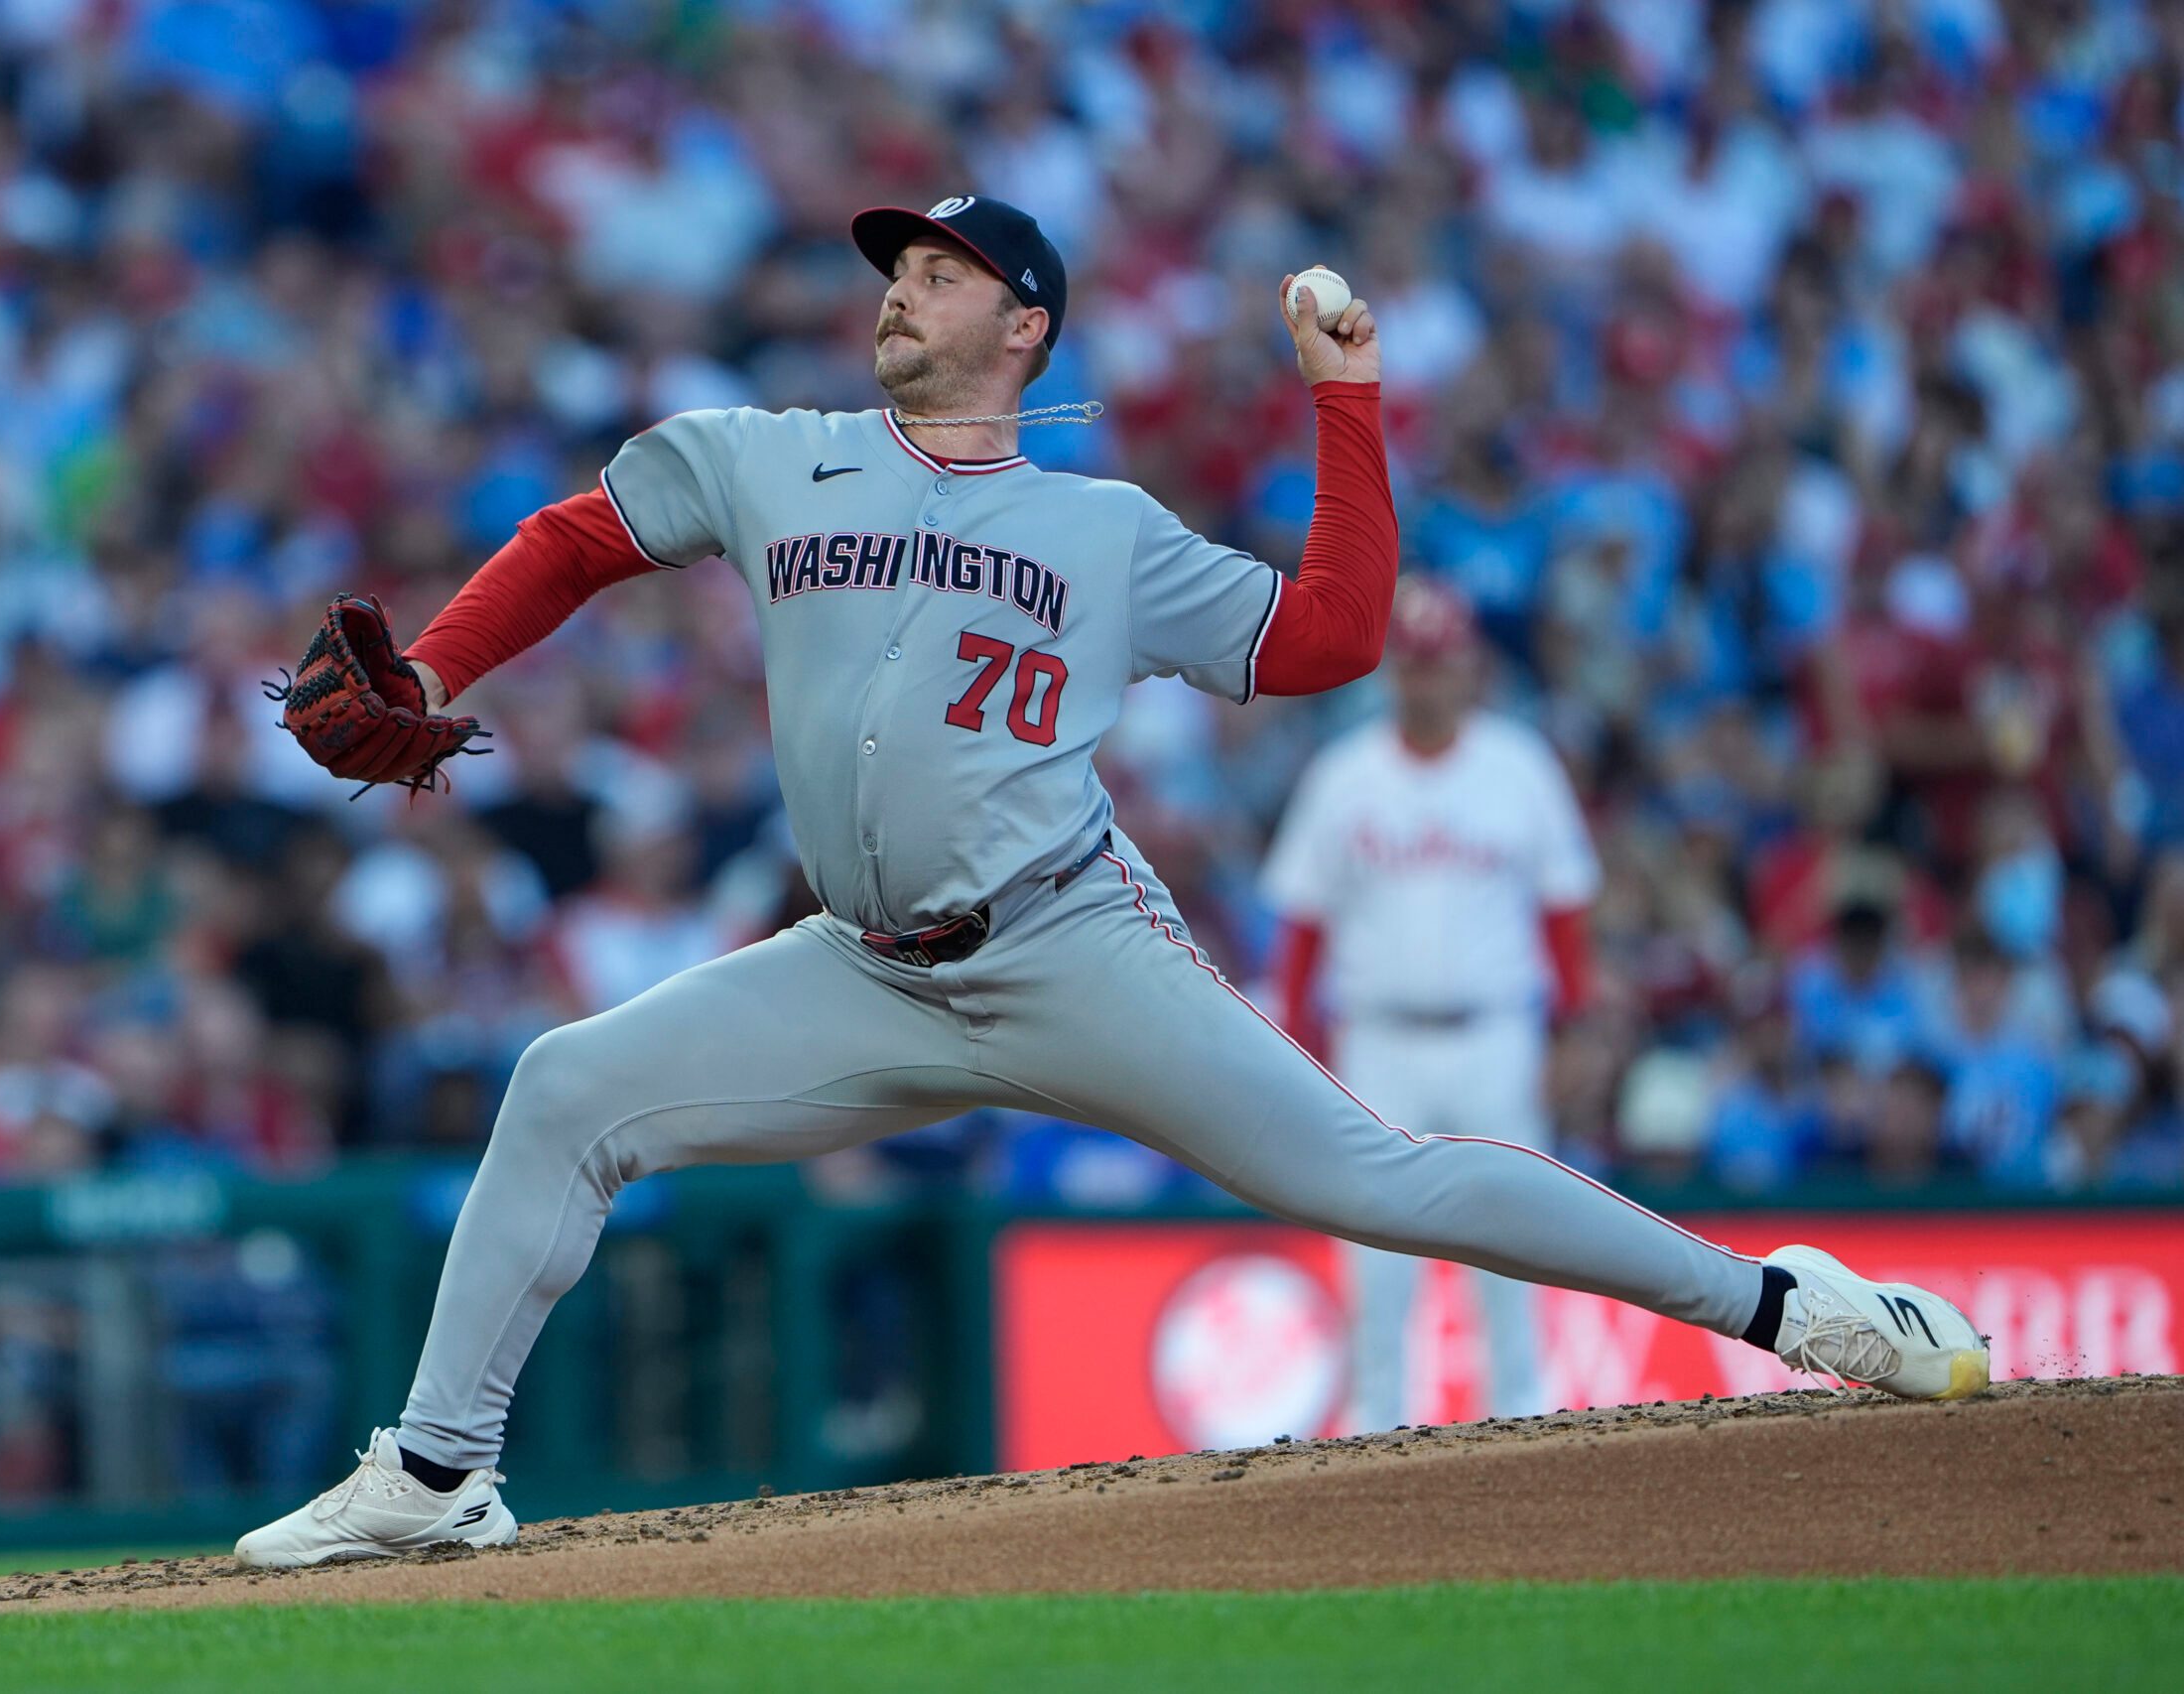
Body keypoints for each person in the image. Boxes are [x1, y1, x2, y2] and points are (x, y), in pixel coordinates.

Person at [237, 195, 1989, 1568]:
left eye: (940, 269)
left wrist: (1348, 406)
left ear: (1026, 324)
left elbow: (1329, 638)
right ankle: (435, 1471)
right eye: (895, 265)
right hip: (862, 965)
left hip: (1072, 938)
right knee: (566, 1088)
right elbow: (576, 538)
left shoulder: (1106, 531)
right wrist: (445, 671)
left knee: (1376, 1177)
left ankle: (1795, 1302)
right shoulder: (774, 455)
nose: (900, 289)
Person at [1260, 578, 1602, 1431]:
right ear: (1391, 674)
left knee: (1518, 1233)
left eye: (1440, 664)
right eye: (1412, 666)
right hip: (1377, 1039)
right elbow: (1301, 925)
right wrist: (1299, 1043)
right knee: (1375, 1246)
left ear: (1470, 668)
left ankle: (1525, 1418)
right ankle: (1379, 1427)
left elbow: (1564, 913)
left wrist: (1575, 1029)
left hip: (1496, 1033)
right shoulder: (1344, 777)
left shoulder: (1519, 768)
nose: (1427, 682)